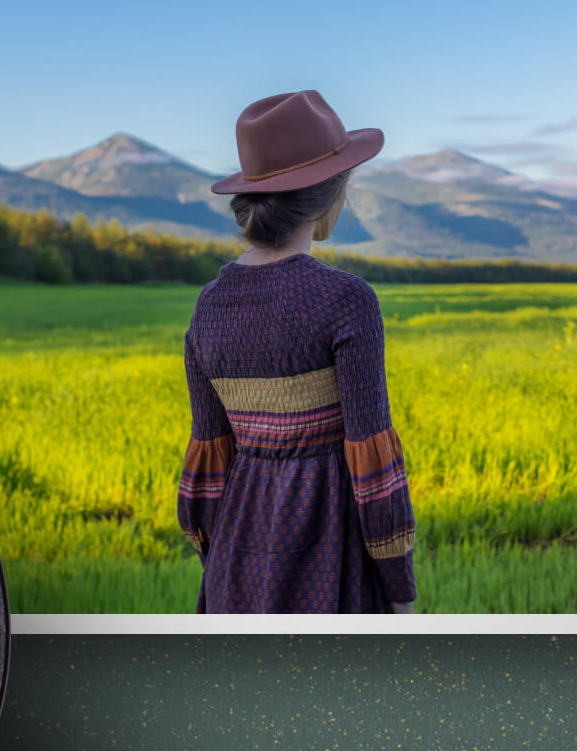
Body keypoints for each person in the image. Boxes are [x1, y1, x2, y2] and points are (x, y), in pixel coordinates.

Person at [177, 90, 417, 613]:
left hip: (236, 564)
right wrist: (399, 590)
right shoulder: (347, 300)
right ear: (329, 197)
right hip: (332, 560)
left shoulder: (208, 307)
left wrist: (223, 566)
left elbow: (208, 466)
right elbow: (372, 467)